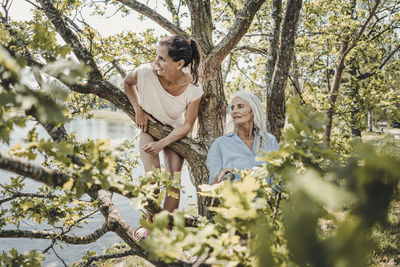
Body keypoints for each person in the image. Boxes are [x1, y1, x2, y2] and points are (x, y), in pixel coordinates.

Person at [124, 35, 203, 241]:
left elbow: (187, 125)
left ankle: (165, 232)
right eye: (156, 56)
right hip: (148, 130)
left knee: (173, 183)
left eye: (162, 59)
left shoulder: (194, 89)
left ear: (179, 64)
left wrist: (163, 143)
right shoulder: (144, 73)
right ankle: (150, 224)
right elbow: (127, 83)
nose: (155, 62)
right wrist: (138, 110)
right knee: (153, 180)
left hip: (174, 134)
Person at [207, 92, 278, 185]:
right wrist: (219, 177)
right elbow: (212, 187)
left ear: (253, 111)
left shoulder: (270, 141)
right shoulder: (220, 144)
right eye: (232, 108)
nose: (234, 111)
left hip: (267, 199)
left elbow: (278, 181)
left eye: (240, 106)